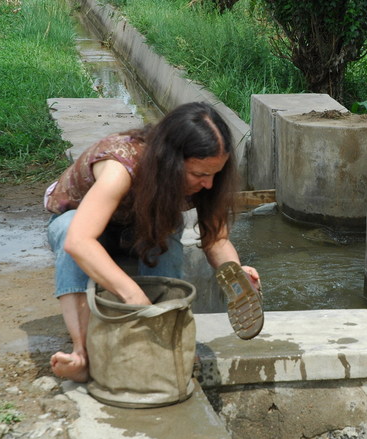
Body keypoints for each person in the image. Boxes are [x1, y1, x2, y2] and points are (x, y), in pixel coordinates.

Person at [45, 102, 260, 382]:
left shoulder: (208, 178)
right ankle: (83, 353)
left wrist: (235, 274)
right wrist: (136, 299)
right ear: (170, 160)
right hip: (88, 231)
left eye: (215, 174)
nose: (209, 184)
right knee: (68, 226)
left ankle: (167, 335)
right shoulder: (121, 163)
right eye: (199, 175)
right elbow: (79, 241)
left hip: (140, 232)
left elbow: (216, 239)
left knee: (167, 226)